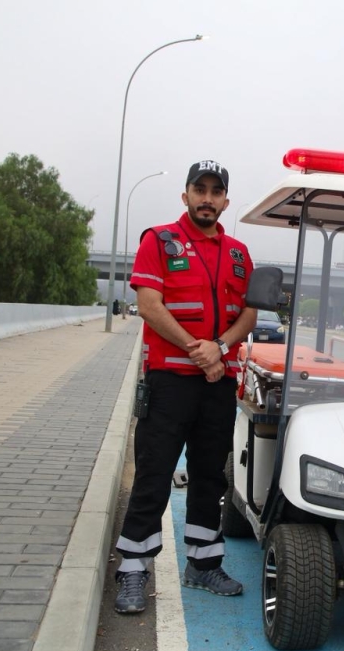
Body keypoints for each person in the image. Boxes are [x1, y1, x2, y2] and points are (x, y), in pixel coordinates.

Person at [113, 160, 258, 614]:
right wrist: (199, 351)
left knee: (210, 477)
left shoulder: (239, 254)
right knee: (154, 472)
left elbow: (249, 313)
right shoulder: (158, 241)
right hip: (170, 382)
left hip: (217, 385)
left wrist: (220, 347)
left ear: (226, 202)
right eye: (200, 189)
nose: (207, 198)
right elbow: (149, 305)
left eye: (216, 192)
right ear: (186, 195)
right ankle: (133, 568)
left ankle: (203, 564)